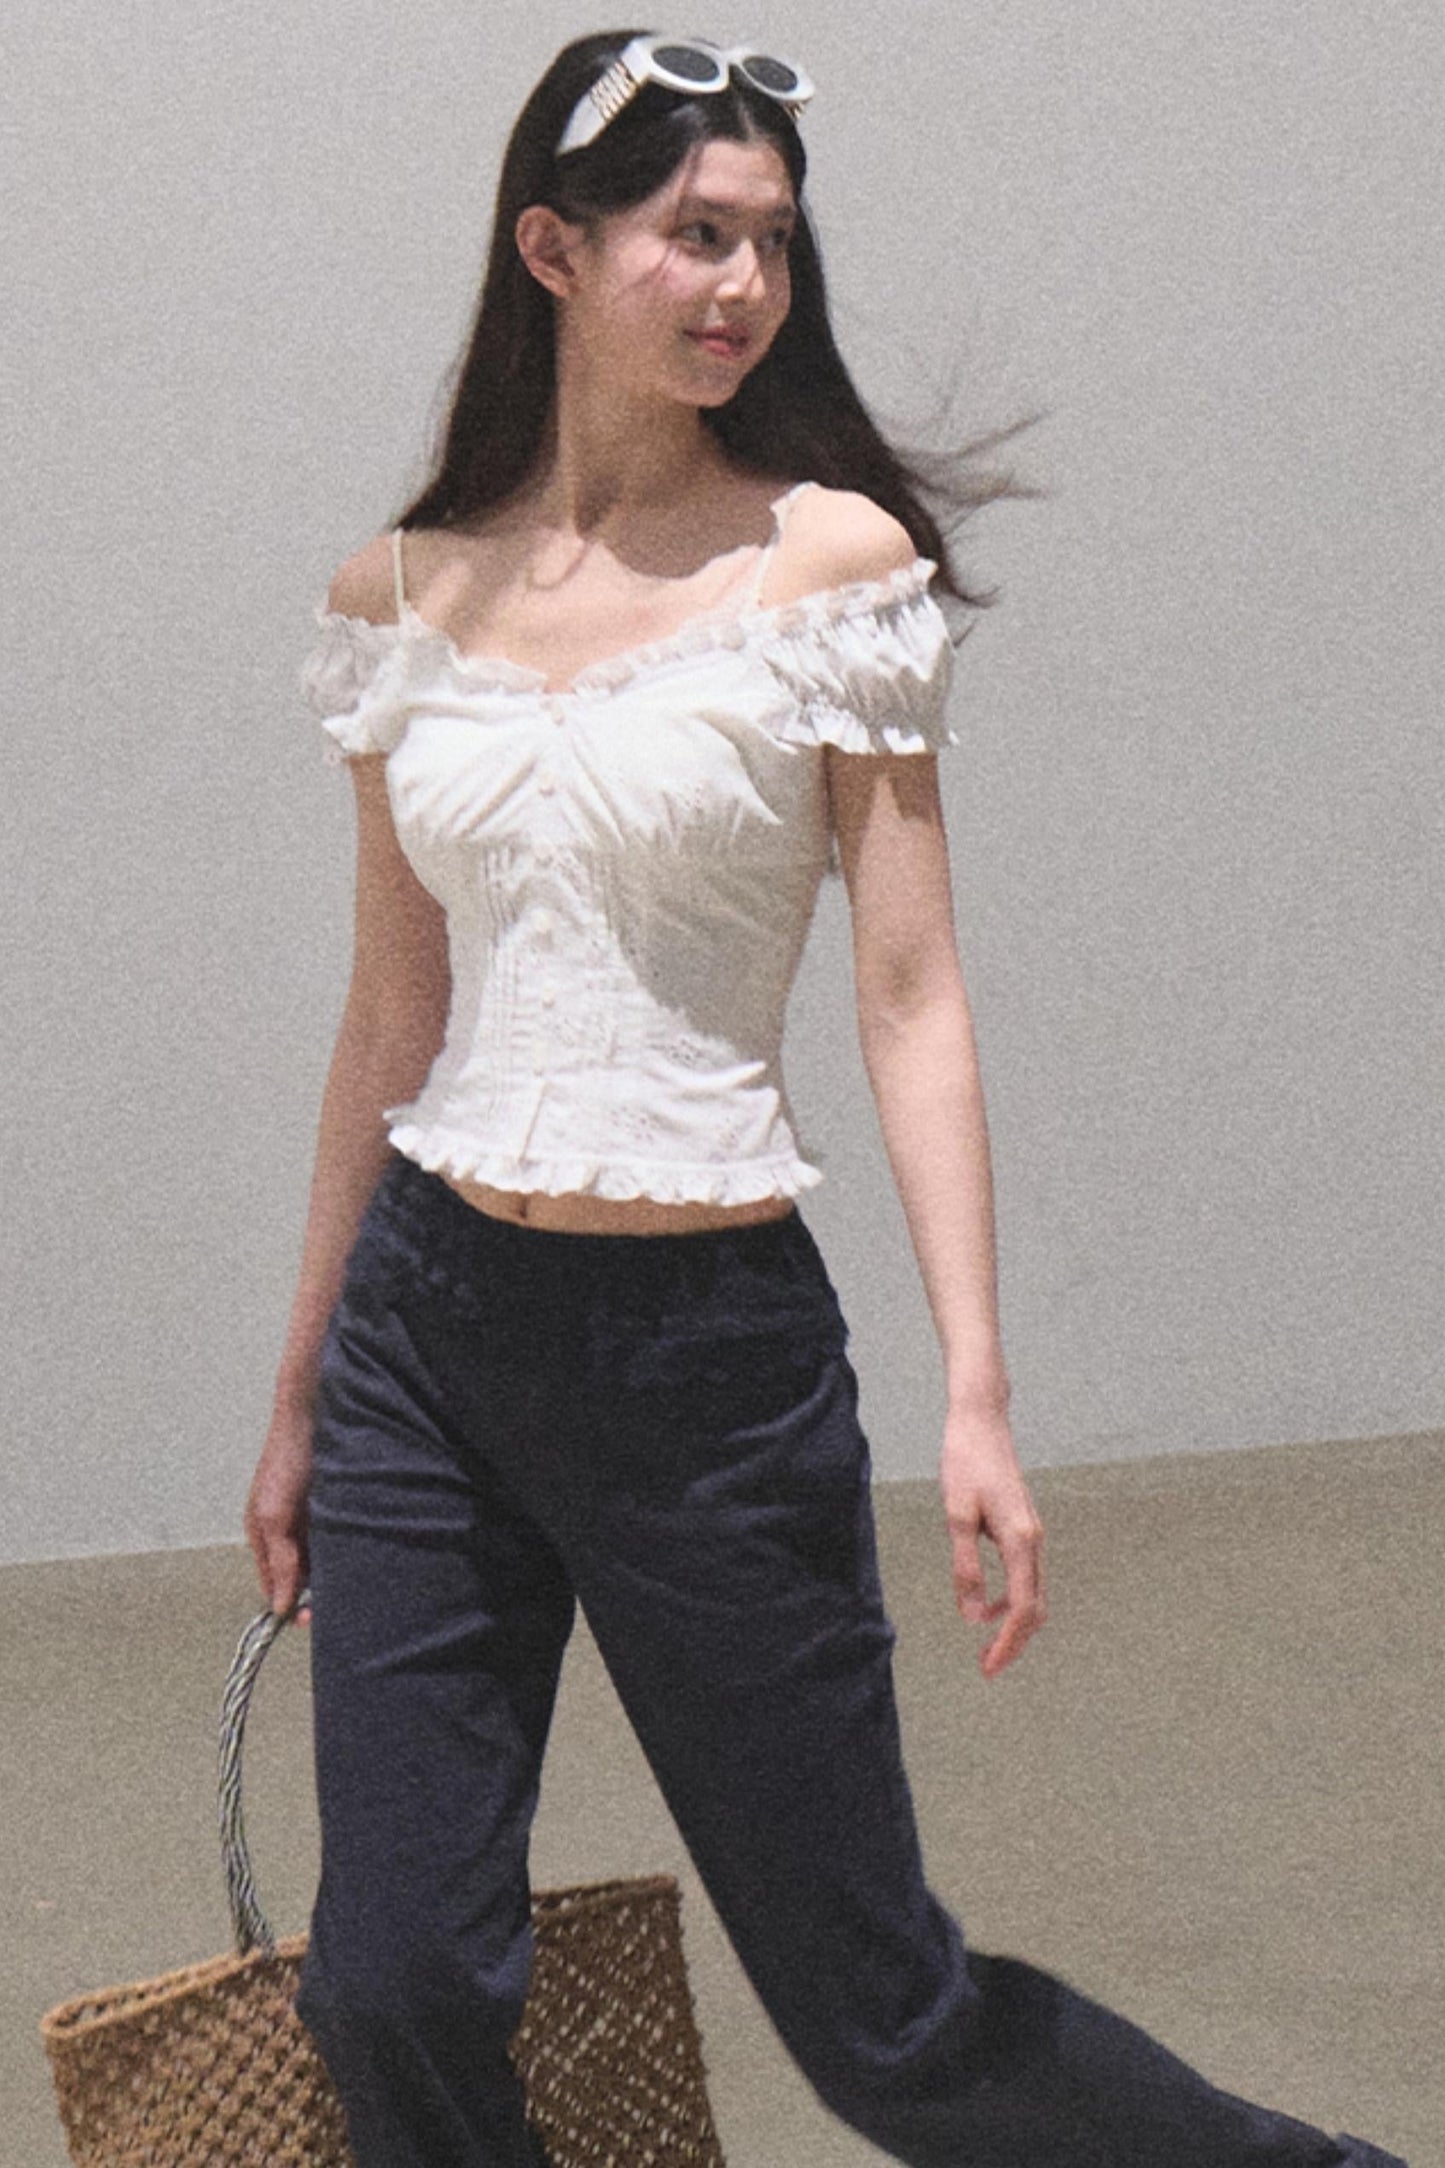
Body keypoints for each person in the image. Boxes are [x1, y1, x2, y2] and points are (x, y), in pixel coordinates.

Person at [245, 30, 1407, 2168]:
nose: (745, 287)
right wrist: (306, 1376)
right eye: (697, 235)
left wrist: (976, 1390)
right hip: (431, 1339)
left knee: (886, 2026)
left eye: (772, 242)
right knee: (389, 1979)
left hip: (705, 1357)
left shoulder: (826, 566)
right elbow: (388, 1016)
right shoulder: (397, 594)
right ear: (552, 251)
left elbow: (909, 992)